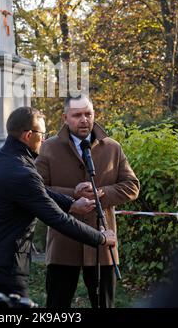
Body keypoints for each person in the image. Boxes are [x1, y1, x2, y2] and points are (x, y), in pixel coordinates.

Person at [0, 106, 116, 299]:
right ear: (28, 135)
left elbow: (38, 192)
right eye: (42, 134)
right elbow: (58, 219)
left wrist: (71, 204)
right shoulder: (23, 173)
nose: (44, 140)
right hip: (2, 267)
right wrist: (101, 238)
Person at [36, 95, 140, 308]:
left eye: (88, 114)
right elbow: (36, 189)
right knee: (57, 306)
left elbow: (132, 186)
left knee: (104, 305)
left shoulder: (112, 147)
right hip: (63, 241)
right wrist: (73, 195)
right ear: (65, 117)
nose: (84, 119)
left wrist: (100, 192)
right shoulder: (49, 148)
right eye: (77, 115)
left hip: (103, 244)